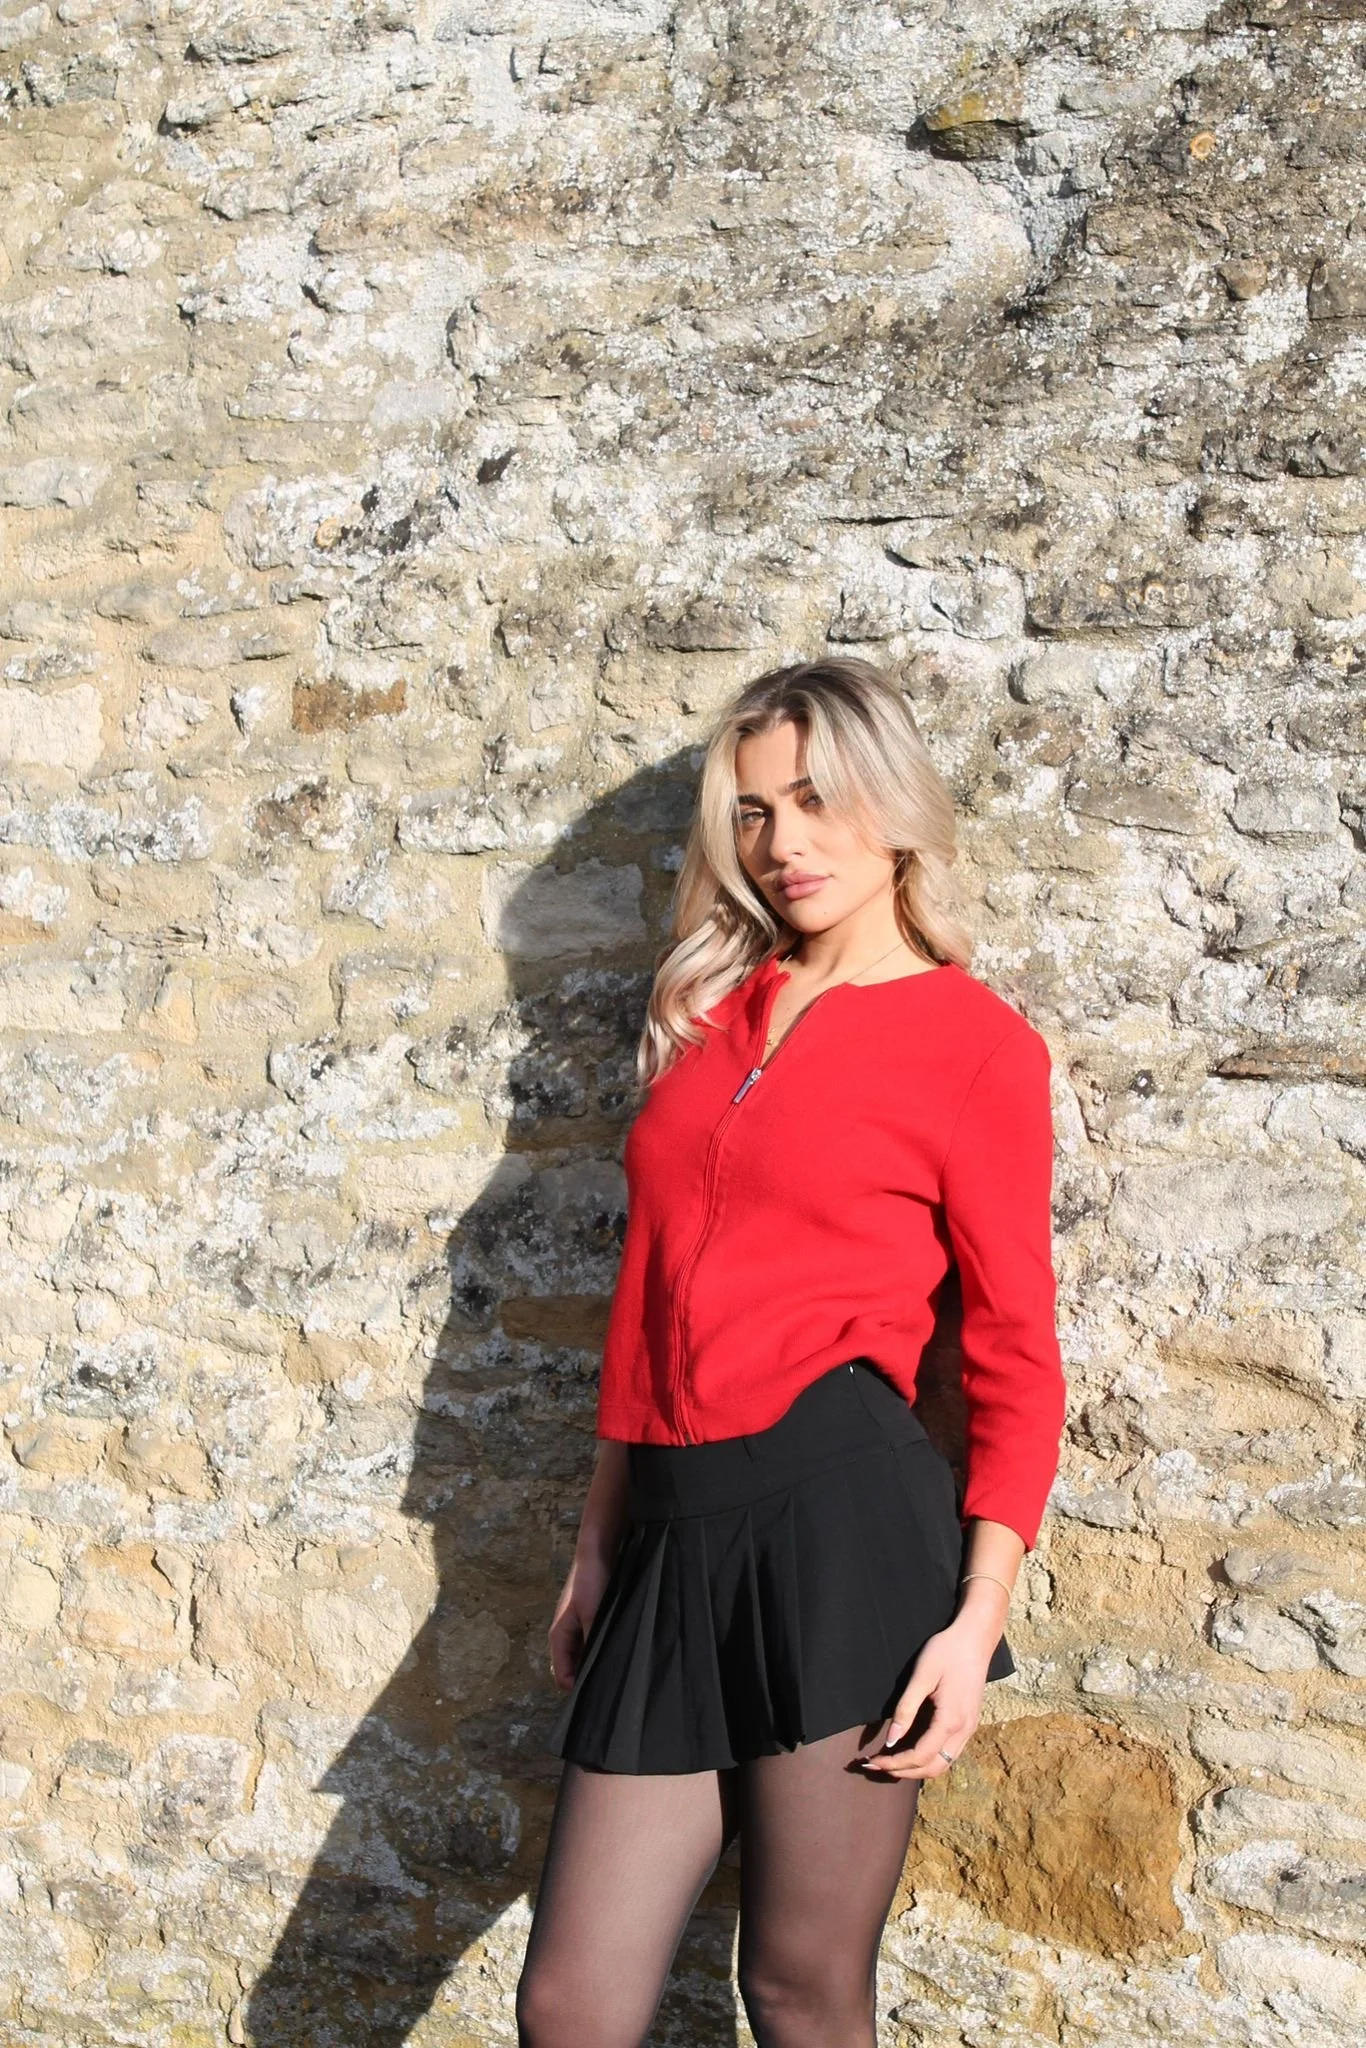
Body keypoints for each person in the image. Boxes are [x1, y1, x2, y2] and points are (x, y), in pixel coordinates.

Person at [515, 656, 1068, 2047]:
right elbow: (648, 1298)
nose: (783, 842)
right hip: (670, 1530)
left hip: (841, 1527)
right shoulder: (709, 1017)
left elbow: (1013, 1353)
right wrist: (600, 1538)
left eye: (817, 800)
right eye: (754, 811)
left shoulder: (974, 1043)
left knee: (801, 1988)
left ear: (893, 806)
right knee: (571, 2005)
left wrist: (974, 1618)